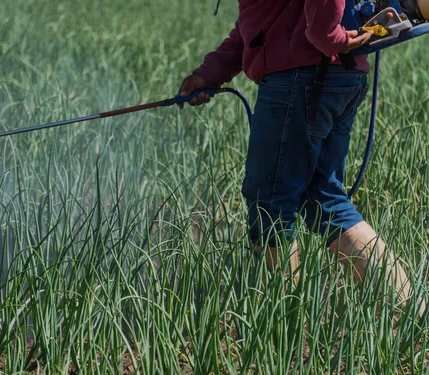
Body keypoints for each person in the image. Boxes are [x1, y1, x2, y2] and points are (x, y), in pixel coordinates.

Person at [178, 0, 423, 314]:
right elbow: (260, 24)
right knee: (325, 199)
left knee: (270, 202)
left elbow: (310, 26)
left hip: (301, 81)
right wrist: (209, 74)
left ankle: (277, 324)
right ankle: (413, 315)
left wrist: (331, 38)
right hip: (332, 77)